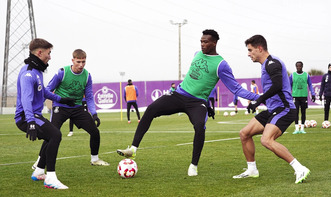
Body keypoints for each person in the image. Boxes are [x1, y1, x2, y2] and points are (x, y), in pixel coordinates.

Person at [117, 29, 260, 176]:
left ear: (214, 43)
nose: (202, 44)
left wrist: (260, 97)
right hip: (178, 95)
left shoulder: (221, 65)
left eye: (206, 42)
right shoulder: (196, 54)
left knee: (199, 127)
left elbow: (236, 89)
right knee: (151, 109)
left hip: (197, 103)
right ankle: (133, 149)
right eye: (201, 41)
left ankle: (193, 166)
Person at [233, 35, 310, 184]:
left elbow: (277, 86)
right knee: (244, 133)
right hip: (273, 109)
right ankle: (252, 170)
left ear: (259, 48)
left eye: (250, 50)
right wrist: (260, 101)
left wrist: (259, 100)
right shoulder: (265, 64)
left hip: (284, 108)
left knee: (266, 140)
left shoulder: (272, 63)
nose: (248, 54)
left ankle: (300, 168)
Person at [14, 38, 75, 189]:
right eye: (48, 53)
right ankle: (51, 178)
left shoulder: (37, 70)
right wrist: (31, 122)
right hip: (26, 117)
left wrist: (62, 99)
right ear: (39, 52)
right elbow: (26, 100)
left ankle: (39, 171)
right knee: (55, 135)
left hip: (34, 116)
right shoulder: (28, 73)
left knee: (52, 135)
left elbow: (44, 91)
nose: (50, 56)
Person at [33, 49, 109, 167]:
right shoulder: (62, 73)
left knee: (95, 132)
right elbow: (47, 90)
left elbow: (89, 96)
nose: (81, 65)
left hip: (77, 108)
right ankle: (39, 161)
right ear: (72, 60)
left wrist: (94, 114)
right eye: (78, 61)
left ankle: (95, 159)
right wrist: (37, 109)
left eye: (83, 62)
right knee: (52, 134)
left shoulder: (87, 76)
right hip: (60, 107)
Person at [289, 61, 316, 134]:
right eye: (297, 66)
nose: (299, 67)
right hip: (295, 96)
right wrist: (288, 95)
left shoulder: (306, 75)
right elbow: (289, 86)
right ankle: (297, 128)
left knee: (303, 112)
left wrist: (313, 94)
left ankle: (302, 129)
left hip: (304, 96)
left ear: (302, 66)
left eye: (300, 66)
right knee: (296, 113)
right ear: (296, 67)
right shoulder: (293, 75)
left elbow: (310, 85)